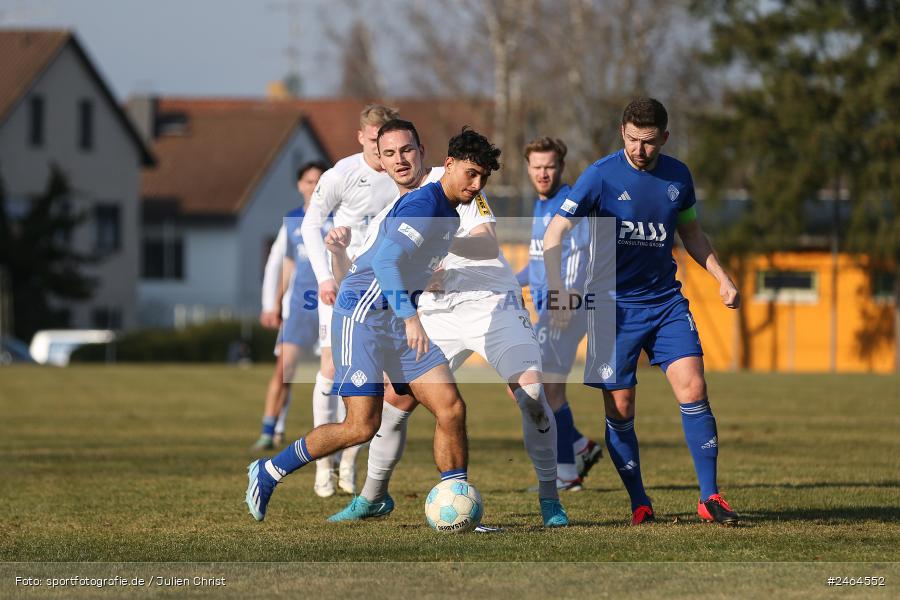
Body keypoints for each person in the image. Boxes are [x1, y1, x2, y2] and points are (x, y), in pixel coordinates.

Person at [245, 127, 500, 523]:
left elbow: (412, 258)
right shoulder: (425, 206)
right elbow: (384, 262)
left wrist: (425, 281)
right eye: (471, 173)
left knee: (450, 408)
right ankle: (269, 470)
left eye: (483, 177)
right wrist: (411, 317)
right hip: (362, 316)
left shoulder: (446, 211)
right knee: (360, 426)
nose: (476, 184)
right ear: (449, 165)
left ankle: (458, 504)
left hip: (396, 320)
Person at [327, 120, 568, 528]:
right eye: (390, 154)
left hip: (491, 302)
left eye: (408, 150)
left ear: (425, 152)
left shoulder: (459, 181)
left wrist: (438, 241)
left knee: (530, 393)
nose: (401, 160)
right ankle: (371, 497)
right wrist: (338, 253)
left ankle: (550, 498)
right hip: (436, 312)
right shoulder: (388, 213)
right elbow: (363, 276)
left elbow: (487, 243)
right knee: (395, 402)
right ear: (380, 161)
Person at [543, 98, 741, 526]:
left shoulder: (678, 177)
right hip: (610, 309)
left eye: (649, 141)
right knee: (621, 407)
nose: (639, 149)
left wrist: (721, 278)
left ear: (664, 138)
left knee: (694, 388)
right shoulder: (600, 175)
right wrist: (557, 288)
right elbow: (555, 232)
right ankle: (640, 502)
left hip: (666, 302)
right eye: (632, 139)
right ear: (622, 132)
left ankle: (710, 497)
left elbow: (692, 233)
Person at [298, 104, 401, 496]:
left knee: (378, 379)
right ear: (361, 137)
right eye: (373, 139)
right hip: (342, 285)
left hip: (384, 287)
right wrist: (324, 276)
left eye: (385, 140)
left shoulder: (404, 175)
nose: (379, 147)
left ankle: (349, 461)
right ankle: (323, 464)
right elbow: (310, 223)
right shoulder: (340, 174)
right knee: (331, 368)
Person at [516, 136, 602, 491]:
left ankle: (566, 474)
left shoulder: (569, 205)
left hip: (564, 308)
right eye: (536, 166)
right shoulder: (540, 207)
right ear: (528, 168)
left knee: (547, 389)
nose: (543, 173)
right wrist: (508, 281)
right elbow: (537, 263)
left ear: (561, 167)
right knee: (536, 388)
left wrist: (562, 299)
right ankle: (580, 446)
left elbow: (580, 259)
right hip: (547, 310)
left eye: (549, 166)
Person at [253, 162, 326, 451]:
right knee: (285, 369)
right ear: (299, 185)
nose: (314, 186)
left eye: (319, 181)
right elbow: (285, 264)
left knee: (332, 376)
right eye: (309, 181)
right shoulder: (294, 220)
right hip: (299, 309)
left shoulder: (341, 217)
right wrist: (272, 304)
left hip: (331, 307)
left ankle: (335, 435)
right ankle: (268, 431)